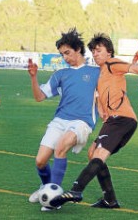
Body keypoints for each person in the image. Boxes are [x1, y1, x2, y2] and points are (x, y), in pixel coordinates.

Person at [50, 33, 138, 209]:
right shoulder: (100, 72)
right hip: (112, 120)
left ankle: (76, 190)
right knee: (92, 153)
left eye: (99, 50)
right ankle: (110, 200)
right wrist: (102, 110)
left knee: (99, 154)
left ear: (109, 52)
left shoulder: (112, 64)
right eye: (93, 51)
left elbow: (134, 68)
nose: (95, 54)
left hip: (123, 119)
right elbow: (99, 94)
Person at [27, 28, 100, 211]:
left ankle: (54, 199)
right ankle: (46, 187)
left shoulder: (96, 72)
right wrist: (34, 77)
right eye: (62, 54)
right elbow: (39, 97)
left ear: (78, 49)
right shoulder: (61, 74)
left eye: (67, 52)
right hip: (60, 120)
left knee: (61, 147)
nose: (65, 57)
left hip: (82, 122)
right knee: (40, 161)